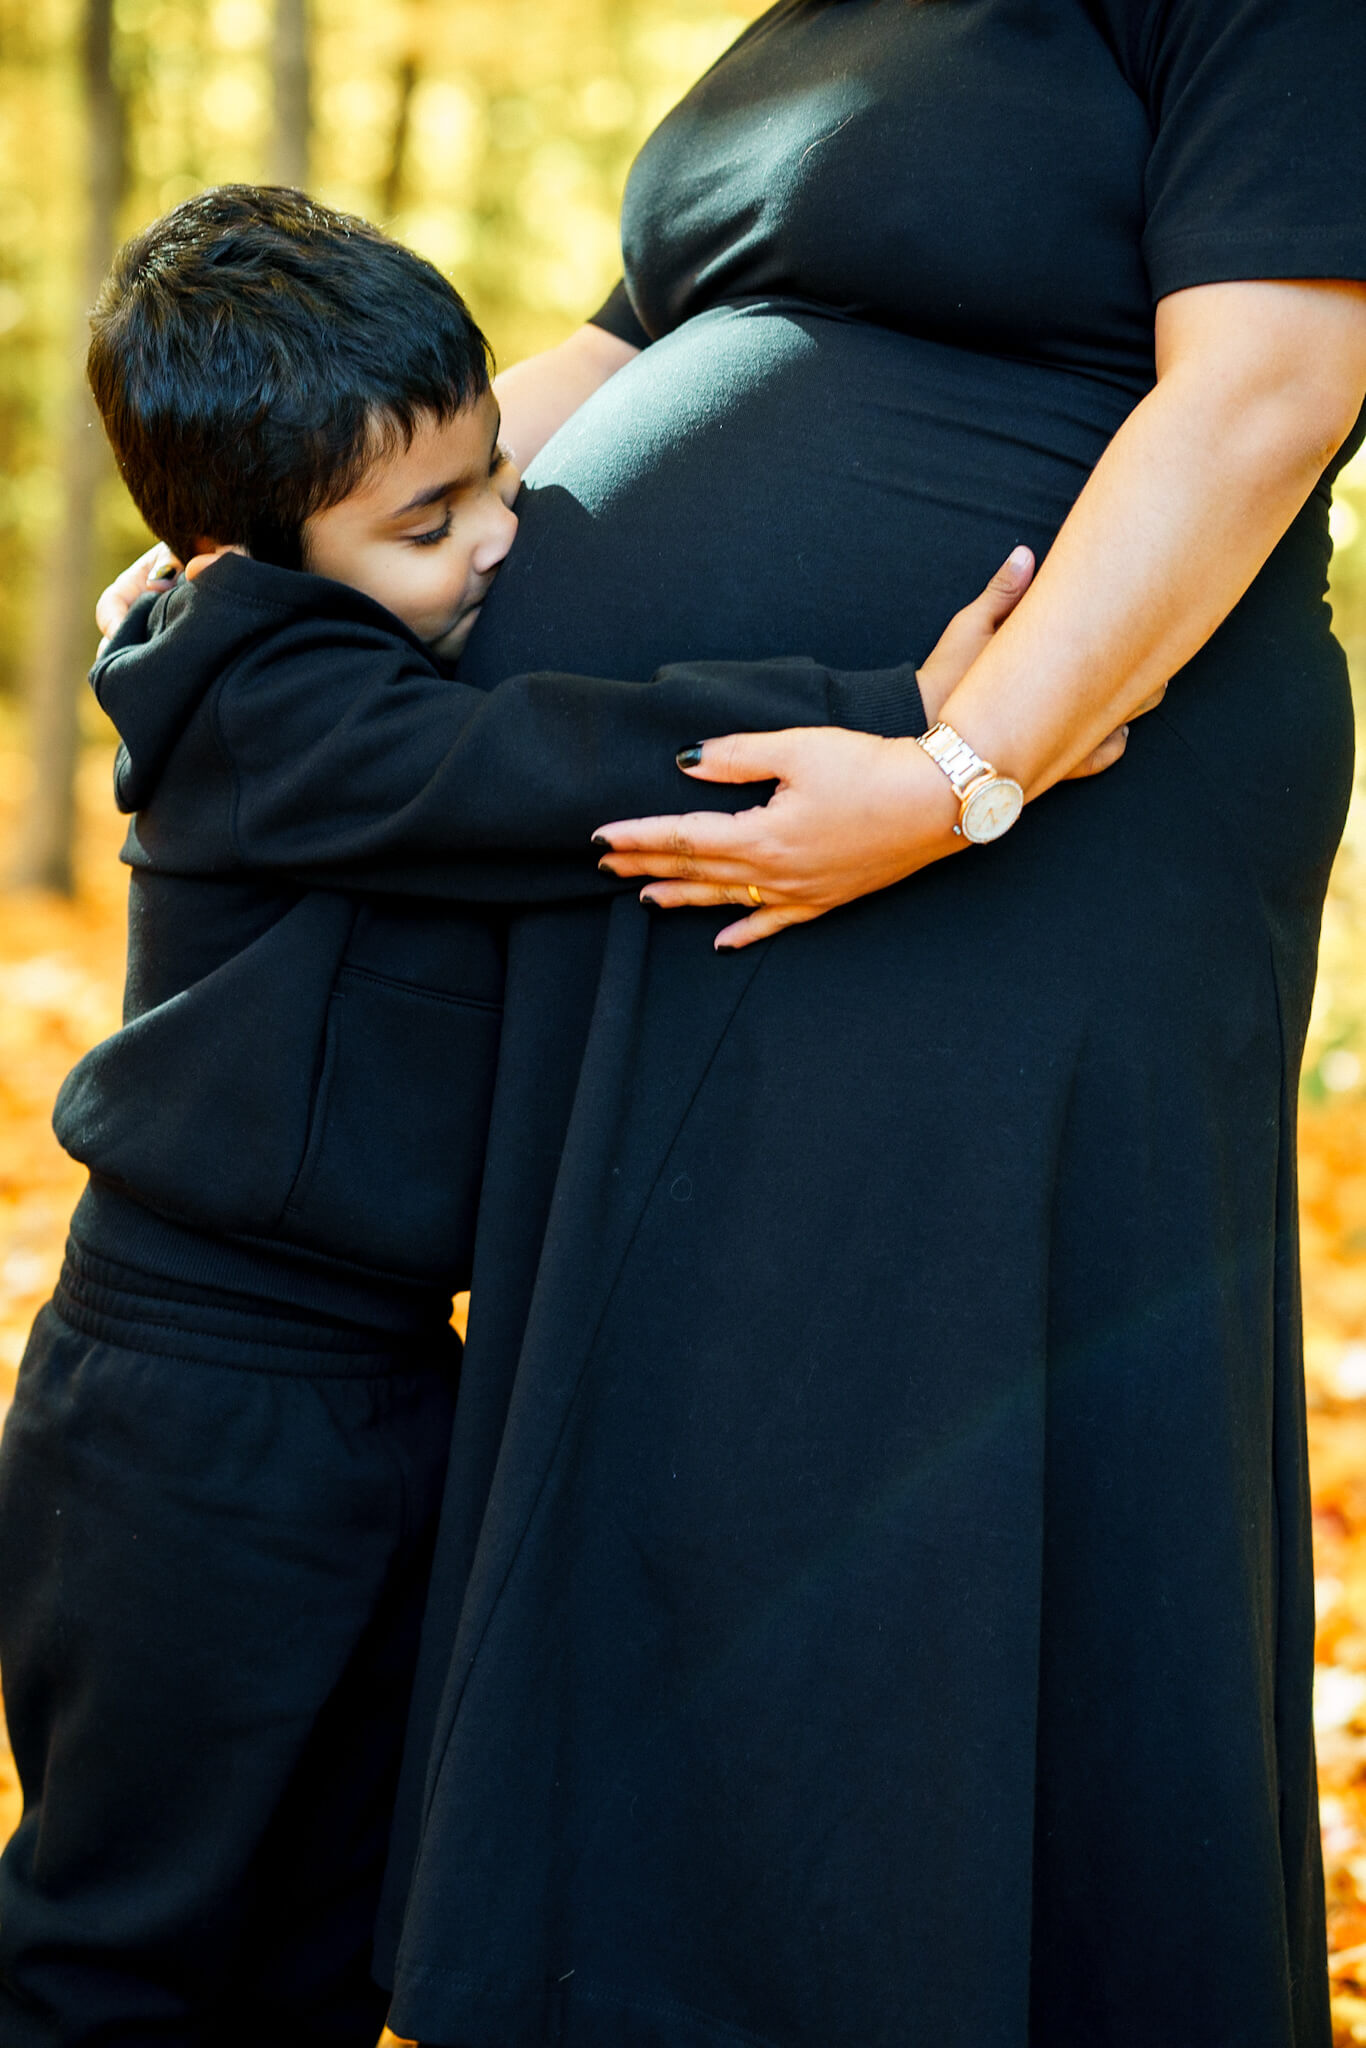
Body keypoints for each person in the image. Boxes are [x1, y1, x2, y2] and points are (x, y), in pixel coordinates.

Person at [370, 3, 1366, 2045]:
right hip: (733, 841)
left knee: (895, 1437)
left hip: (1052, 827)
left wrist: (959, 773)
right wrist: (267, 540)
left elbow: (1270, 382)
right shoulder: (808, 32)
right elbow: (605, 365)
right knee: (698, 1438)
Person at [0, 184, 1028, 2046]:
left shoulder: (333, 627)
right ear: (234, 550)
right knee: (128, 1926)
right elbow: (506, 766)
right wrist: (876, 718)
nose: (495, 533)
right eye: (427, 521)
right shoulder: (263, 692)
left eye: (492, 471)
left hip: (384, 1377)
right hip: (195, 1400)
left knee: (326, 1917)